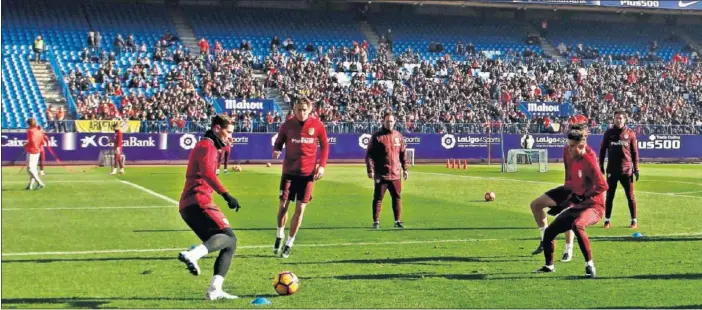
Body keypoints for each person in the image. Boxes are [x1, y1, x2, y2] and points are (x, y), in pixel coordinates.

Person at [176, 114, 243, 300]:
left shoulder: (209, 145)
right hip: (198, 201)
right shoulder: (207, 146)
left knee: (227, 243)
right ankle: (193, 254)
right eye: (228, 132)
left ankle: (214, 290)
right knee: (230, 238)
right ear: (216, 129)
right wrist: (227, 195)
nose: (230, 136)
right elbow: (207, 174)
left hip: (189, 205)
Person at [534, 124, 608, 278]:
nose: (569, 149)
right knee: (549, 232)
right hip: (579, 205)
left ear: (581, 146)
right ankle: (549, 265)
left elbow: (603, 185)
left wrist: (585, 196)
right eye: (569, 145)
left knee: (578, 225)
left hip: (595, 207)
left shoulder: (589, 160)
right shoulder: (574, 160)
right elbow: (576, 190)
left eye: (572, 146)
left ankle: (590, 265)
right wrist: (562, 206)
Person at [272, 98, 329, 258]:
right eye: (298, 109)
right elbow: (279, 141)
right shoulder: (287, 125)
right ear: (294, 109)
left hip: (307, 175)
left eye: (304, 109)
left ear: (309, 109)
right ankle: (279, 234)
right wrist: (276, 149)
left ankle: (289, 243)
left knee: (300, 208)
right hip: (289, 172)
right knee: (283, 205)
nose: (301, 113)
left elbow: (325, 145)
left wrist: (322, 165)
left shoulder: (317, 125)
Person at [528, 144, 577, 262]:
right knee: (536, 205)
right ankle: (545, 240)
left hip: (577, 190)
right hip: (566, 187)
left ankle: (568, 250)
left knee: (567, 216)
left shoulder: (586, 153)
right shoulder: (566, 148)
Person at [365, 112, 409, 229]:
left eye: (391, 121)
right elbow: (369, 154)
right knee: (378, 198)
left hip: (395, 174)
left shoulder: (398, 136)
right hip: (381, 174)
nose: (389, 123)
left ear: (394, 122)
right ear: (383, 122)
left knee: (397, 198)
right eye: (387, 121)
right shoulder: (377, 136)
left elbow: (403, 153)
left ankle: (397, 221)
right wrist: (371, 170)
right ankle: (376, 222)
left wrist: (405, 169)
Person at [599, 110, 640, 229]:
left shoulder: (630, 133)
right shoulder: (609, 133)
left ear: (625, 120)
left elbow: (634, 152)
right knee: (610, 195)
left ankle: (634, 221)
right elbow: (602, 150)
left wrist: (636, 168)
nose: (619, 120)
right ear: (614, 119)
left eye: (621, 118)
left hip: (627, 170)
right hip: (612, 169)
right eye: (617, 118)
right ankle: (607, 221)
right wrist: (601, 165)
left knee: (630, 196)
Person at [24, 118, 46, 190]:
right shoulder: (39, 130)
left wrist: (25, 145)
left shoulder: (30, 131)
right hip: (38, 151)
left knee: (30, 169)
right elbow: (43, 141)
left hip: (31, 150)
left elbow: (31, 141)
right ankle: (30, 185)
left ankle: (40, 182)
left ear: (29, 124)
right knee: (33, 169)